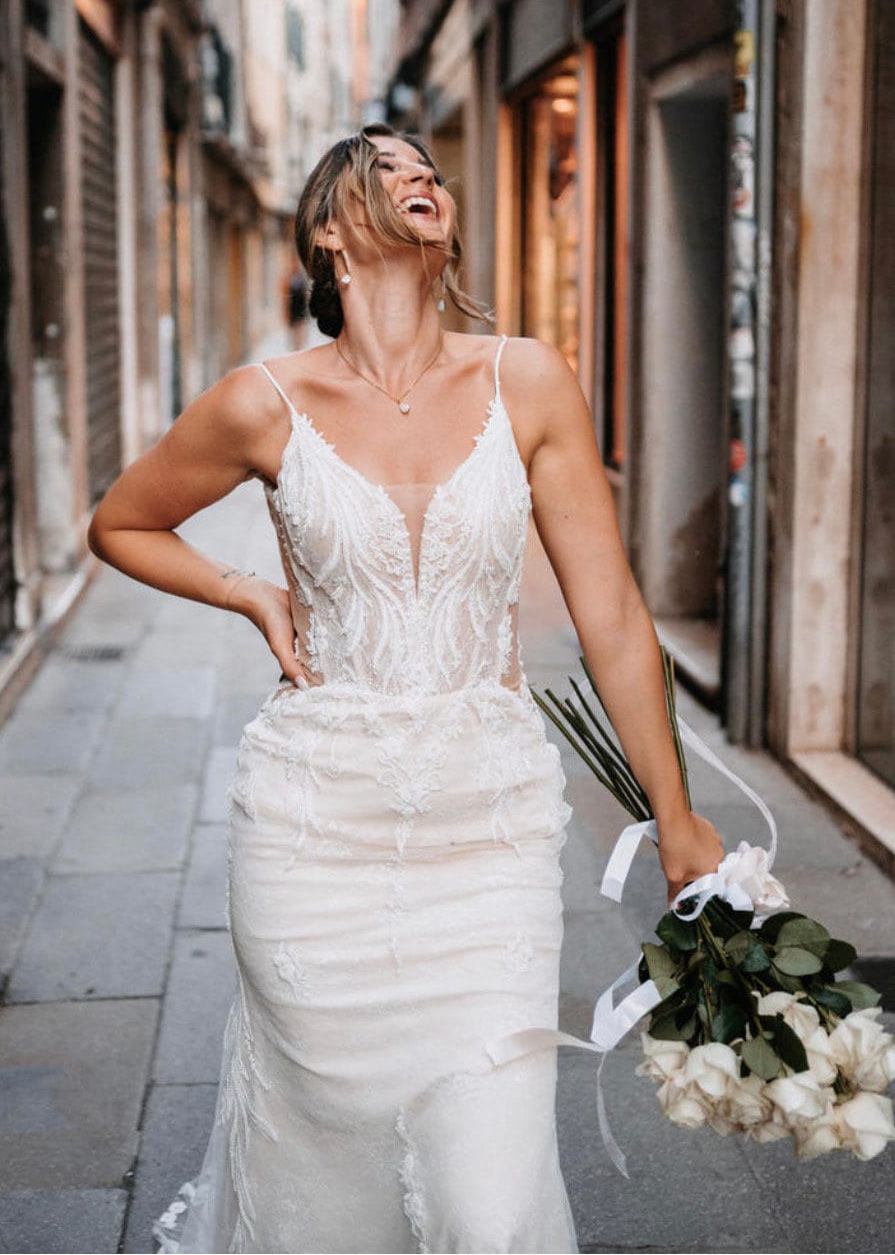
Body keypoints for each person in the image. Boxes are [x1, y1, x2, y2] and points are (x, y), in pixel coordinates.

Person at [87, 123, 724, 1254]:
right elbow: (122, 521)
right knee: (321, 1177)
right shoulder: (260, 402)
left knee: (488, 1190)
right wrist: (248, 591)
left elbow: (615, 615)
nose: (423, 175)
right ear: (328, 231)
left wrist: (672, 818)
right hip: (311, 831)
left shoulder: (525, 378)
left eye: (430, 166)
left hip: (487, 834)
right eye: (386, 168)